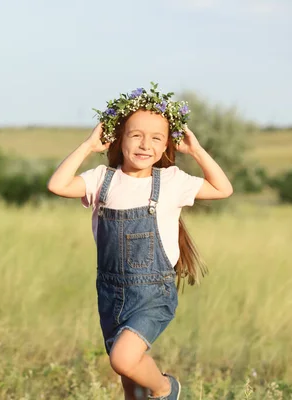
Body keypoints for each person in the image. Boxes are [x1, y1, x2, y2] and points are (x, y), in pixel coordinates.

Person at [47, 84, 233, 400]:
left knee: (123, 359)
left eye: (156, 138)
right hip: (111, 292)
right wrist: (88, 146)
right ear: (120, 138)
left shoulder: (172, 181)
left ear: (166, 145)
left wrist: (197, 151)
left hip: (153, 292)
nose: (145, 144)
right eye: (136, 135)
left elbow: (222, 189)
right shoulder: (100, 179)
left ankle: (165, 388)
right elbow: (57, 184)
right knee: (129, 380)